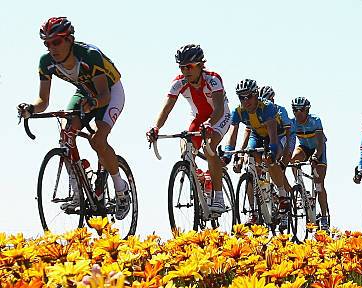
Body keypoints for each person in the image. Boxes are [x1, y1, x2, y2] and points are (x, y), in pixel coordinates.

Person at [17, 17, 130, 220]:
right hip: (85, 91)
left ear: (69, 39)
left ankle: (121, 189)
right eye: (47, 43)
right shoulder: (46, 62)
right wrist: (31, 109)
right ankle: (79, 189)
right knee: (67, 134)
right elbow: (43, 100)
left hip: (110, 92)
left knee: (98, 140)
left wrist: (93, 104)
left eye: (57, 41)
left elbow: (103, 96)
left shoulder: (89, 56)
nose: (52, 48)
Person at [146, 44, 231, 217]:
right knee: (185, 147)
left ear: (200, 65)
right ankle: (199, 177)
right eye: (182, 67)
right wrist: (156, 127)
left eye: (190, 67)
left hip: (219, 117)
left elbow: (219, 109)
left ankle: (219, 197)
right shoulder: (179, 83)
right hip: (199, 118)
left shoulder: (213, 79)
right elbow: (166, 109)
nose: (186, 71)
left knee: (210, 149)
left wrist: (209, 125)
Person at [223, 79, 290, 225]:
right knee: (250, 166)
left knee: (270, 160)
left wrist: (272, 153)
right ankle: (253, 212)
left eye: (249, 96)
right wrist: (228, 153)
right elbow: (233, 134)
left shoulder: (267, 107)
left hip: (277, 134)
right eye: (241, 97)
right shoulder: (238, 111)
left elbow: (272, 136)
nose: (245, 101)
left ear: (256, 95)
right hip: (257, 134)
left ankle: (283, 196)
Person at [290, 97, 330, 231]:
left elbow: (319, 143)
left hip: (318, 149)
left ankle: (324, 217)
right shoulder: (293, 123)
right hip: (304, 148)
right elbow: (289, 143)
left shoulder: (315, 121)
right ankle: (301, 190)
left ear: (307, 110)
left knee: (319, 185)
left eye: (301, 110)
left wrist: (316, 157)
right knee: (293, 159)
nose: (298, 113)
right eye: (295, 110)